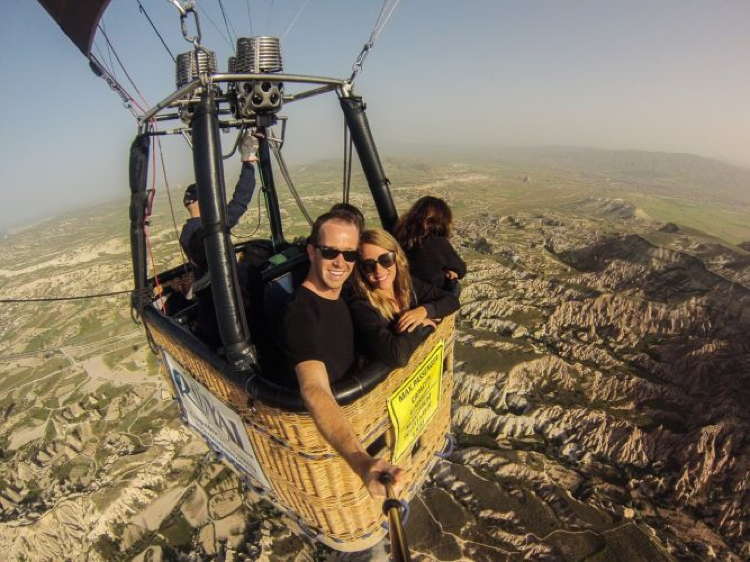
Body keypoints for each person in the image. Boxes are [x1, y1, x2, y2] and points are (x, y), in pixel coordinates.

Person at [282, 210, 402, 497]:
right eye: (330, 252)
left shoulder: (343, 291)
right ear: (312, 252)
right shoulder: (301, 315)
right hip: (342, 438)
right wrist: (361, 462)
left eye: (349, 255)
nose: (341, 262)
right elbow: (314, 389)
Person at [179, 131, 259, 347]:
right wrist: (248, 161)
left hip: (214, 309)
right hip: (225, 311)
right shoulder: (203, 231)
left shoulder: (189, 231)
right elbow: (239, 203)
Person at [350, 229, 460, 368]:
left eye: (385, 260)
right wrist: (420, 326)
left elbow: (451, 300)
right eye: (368, 265)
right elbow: (397, 356)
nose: (378, 270)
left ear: (396, 257)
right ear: (360, 270)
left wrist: (424, 311)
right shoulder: (362, 306)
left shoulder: (408, 286)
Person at [394, 196, 466, 294]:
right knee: (456, 285)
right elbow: (461, 269)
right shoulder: (438, 242)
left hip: (408, 292)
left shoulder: (399, 237)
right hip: (432, 295)